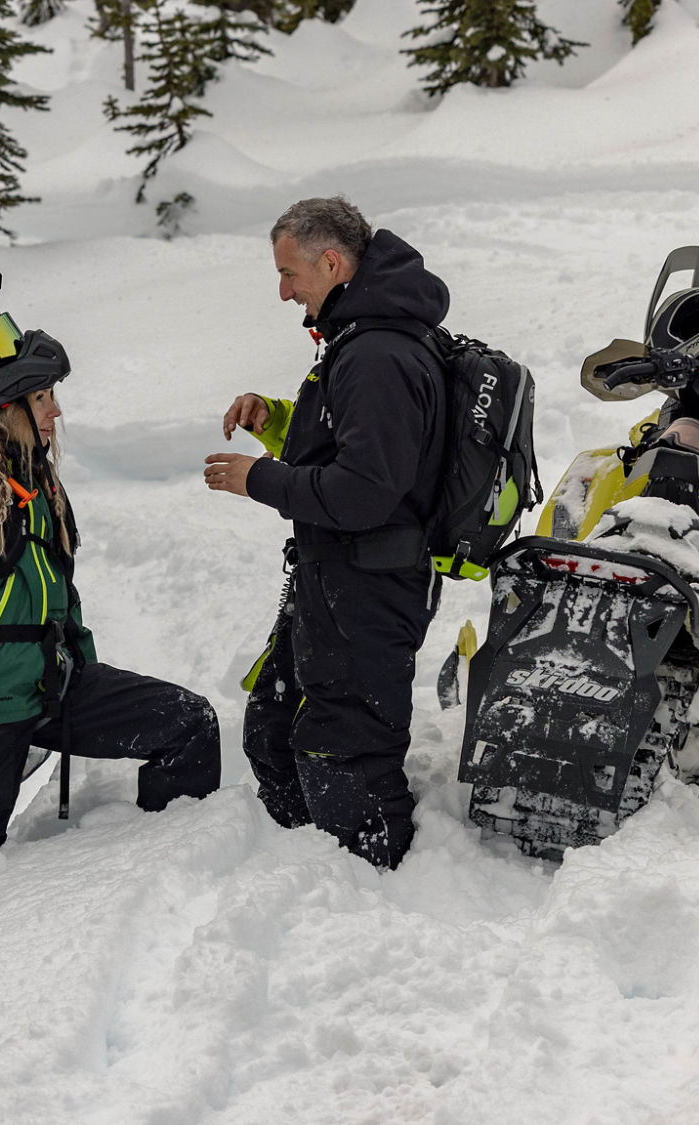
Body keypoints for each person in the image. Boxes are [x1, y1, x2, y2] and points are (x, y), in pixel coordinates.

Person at [0, 273, 222, 859]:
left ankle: (168, 872)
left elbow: (58, 587)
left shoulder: (34, 478)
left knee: (189, 724)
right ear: (4, 403)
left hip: (50, 687)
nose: (56, 410)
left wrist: (83, 668)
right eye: (43, 397)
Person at [202, 197, 449, 870]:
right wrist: (277, 419)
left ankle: (377, 898)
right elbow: (349, 448)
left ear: (333, 262)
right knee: (275, 735)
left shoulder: (378, 354)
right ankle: (312, 880)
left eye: (290, 273)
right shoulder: (358, 339)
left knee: (346, 761)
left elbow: (366, 491)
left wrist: (260, 479)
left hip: (370, 586)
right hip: (332, 577)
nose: (283, 290)